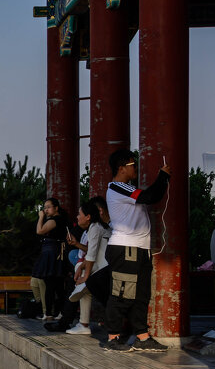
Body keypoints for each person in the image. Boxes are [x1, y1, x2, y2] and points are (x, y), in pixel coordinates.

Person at [103, 149, 170, 352]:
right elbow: (150, 196)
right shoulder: (117, 187)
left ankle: (142, 336)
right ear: (121, 168)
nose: (136, 168)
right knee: (122, 294)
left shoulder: (126, 188)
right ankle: (113, 337)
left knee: (141, 295)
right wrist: (163, 175)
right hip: (125, 247)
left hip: (140, 248)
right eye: (133, 164)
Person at [66, 198, 110, 336]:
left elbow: (91, 254)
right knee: (84, 280)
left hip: (105, 270)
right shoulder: (94, 228)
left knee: (87, 283)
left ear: (88, 216)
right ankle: (83, 323)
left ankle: (83, 323)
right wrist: (81, 269)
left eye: (79, 214)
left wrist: (85, 276)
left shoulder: (95, 228)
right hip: (100, 268)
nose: (77, 217)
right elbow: (91, 252)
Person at [31, 198, 69, 320]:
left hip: (53, 253)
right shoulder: (58, 219)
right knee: (56, 285)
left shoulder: (55, 219)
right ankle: (58, 312)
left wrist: (41, 217)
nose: (45, 210)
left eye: (48, 207)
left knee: (51, 284)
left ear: (56, 208)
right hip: (53, 252)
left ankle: (49, 313)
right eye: (44, 207)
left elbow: (40, 231)